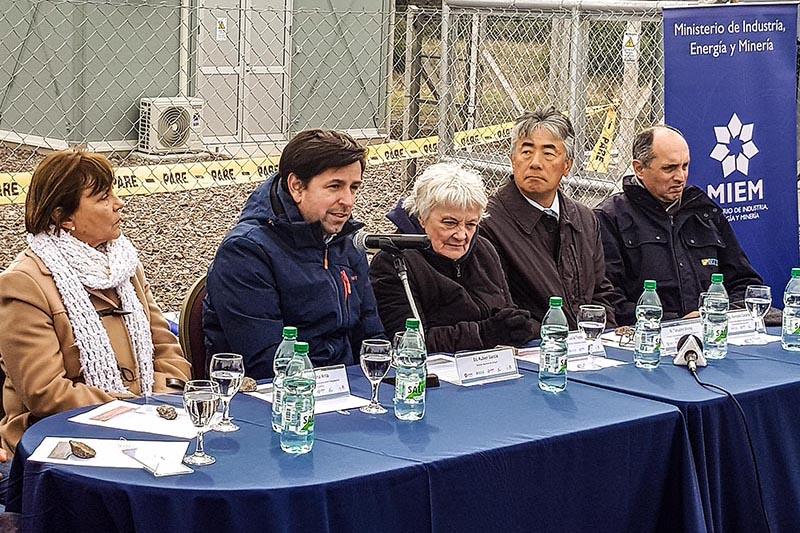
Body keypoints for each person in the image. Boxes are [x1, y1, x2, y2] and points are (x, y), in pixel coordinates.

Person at [0, 150, 191, 455]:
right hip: (58, 443)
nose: (119, 203)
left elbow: (168, 351)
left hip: (149, 425)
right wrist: (132, 409)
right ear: (63, 217)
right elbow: (46, 394)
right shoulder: (25, 284)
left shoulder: (125, 267)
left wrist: (162, 399)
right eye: (103, 197)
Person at [204, 129, 384, 379]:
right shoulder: (245, 252)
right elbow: (265, 360)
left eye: (354, 188)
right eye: (335, 187)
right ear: (297, 186)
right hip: (278, 397)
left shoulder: (346, 241)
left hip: (348, 388)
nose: (348, 201)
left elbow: (371, 336)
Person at [595, 125, 763, 325]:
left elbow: (745, 284)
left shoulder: (704, 211)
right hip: (647, 340)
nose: (680, 177)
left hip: (713, 334)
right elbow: (608, 300)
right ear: (639, 168)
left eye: (685, 166)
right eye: (669, 168)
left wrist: (718, 316)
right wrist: (677, 323)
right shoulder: (609, 218)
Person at [370, 162, 536, 353]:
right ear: (421, 217)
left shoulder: (484, 250)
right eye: (450, 223)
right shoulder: (395, 261)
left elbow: (507, 312)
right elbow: (409, 342)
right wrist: (483, 334)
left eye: (471, 224)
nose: (461, 235)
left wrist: (516, 325)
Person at [481, 107, 618, 333]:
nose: (535, 162)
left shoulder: (584, 219)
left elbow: (601, 295)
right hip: (530, 350)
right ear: (512, 159)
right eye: (526, 151)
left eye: (548, 153)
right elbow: (500, 308)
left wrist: (602, 340)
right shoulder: (488, 221)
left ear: (567, 165)